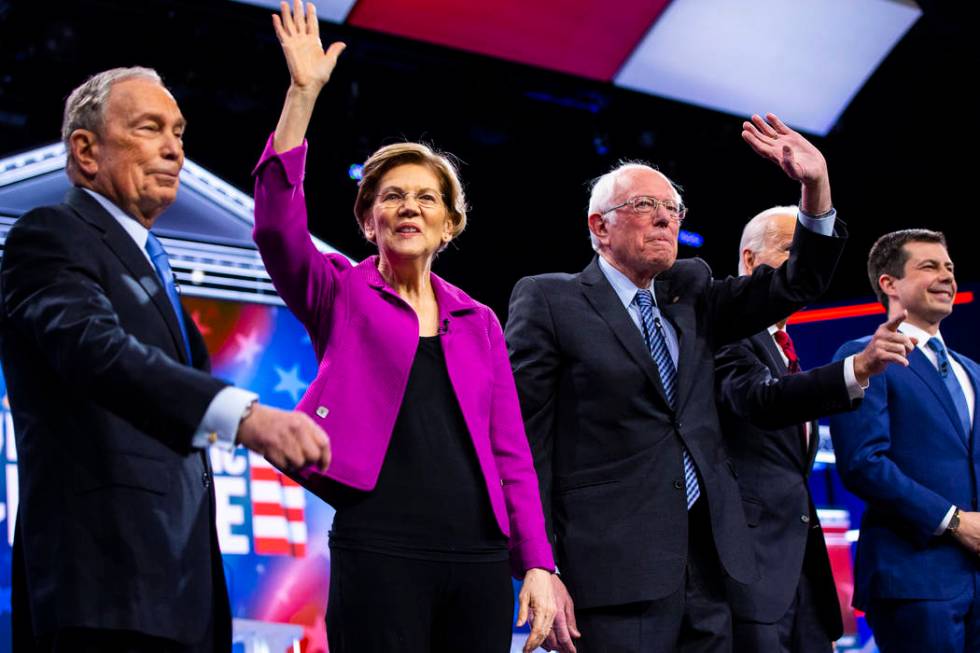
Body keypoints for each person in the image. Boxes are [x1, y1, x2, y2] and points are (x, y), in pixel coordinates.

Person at [251, 3, 555, 651]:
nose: (408, 205)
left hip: (478, 556)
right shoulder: (338, 290)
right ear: (368, 221)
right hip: (379, 544)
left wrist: (537, 562)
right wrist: (302, 96)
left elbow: (512, 454)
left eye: (426, 196)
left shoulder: (480, 321)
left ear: (450, 224)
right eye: (391, 195)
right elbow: (277, 227)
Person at [0, 67, 332, 652]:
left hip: (179, 597)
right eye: (150, 128)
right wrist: (245, 416)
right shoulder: (50, 234)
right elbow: (94, 350)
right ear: (86, 150)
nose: (174, 148)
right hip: (102, 590)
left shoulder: (154, 263)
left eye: (178, 131)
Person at [506, 113, 848, 653]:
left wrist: (815, 186)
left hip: (713, 569)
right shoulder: (551, 299)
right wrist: (540, 564)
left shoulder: (693, 292)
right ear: (599, 226)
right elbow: (527, 440)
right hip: (612, 574)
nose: (666, 219)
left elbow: (793, 283)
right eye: (645, 206)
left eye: (673, 209)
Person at [715, 206, 914, 653]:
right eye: (790, 250)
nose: (802, 264)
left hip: (803, 582)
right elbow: (760, 400)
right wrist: (856, 368)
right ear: (750, 261)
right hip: (751, 582)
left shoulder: (782, 344)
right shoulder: (723, 331)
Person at [829, 229, 979, 652]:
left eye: (949, 267)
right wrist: (954, 521)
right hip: (914, 581)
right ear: (889, 283)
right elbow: (863, 462)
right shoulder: (863, 357)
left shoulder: (973, 372)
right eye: (929, 266)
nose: (946, 276)